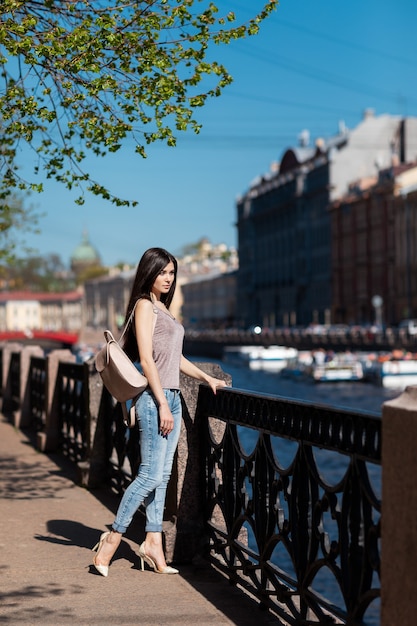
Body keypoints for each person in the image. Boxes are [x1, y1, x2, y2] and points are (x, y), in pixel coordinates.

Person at [92, 247, 227, 577]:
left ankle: (153, 543)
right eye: (162, 272)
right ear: (148, 273)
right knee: (150, 475)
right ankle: (112, 538)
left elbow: (174, 360)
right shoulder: (143, 306)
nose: (168, 278)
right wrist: (163, 404)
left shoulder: (163, 309)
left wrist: (207, 377)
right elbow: (148, 360)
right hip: (156, 402)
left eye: (171, 273)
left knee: (162, 477)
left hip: (173, 397)